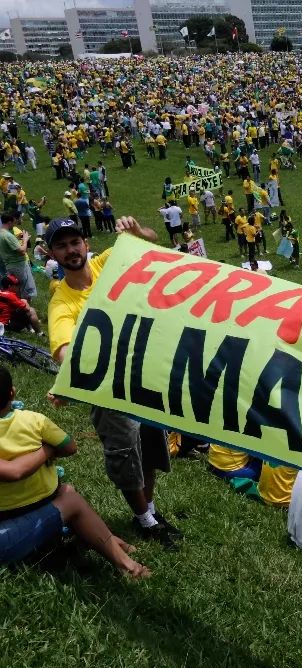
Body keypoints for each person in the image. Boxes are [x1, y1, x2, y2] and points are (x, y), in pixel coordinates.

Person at [45, 217, 181, 551]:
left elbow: (153, 244)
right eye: (61, 246)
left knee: (149, 445)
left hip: (142, 377)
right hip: (108, 391)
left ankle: (148, 510)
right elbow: (64, 352)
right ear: (52, 254)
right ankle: (145, 519)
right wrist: (71, 377)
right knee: (125, 454)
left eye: (74, 242)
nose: (70, 251)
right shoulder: (61, 303)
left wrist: (136, 233)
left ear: (86, 243)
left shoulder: (108, 261)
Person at [0, 365, 150, 577]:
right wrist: (48, 449)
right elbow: (17, 471)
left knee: (66, 491)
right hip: (8, 527)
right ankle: (127, 566)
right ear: (12, 392)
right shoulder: (34, 420)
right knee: (72, 501)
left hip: (19, 510)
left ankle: (108, 540)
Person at [0, 213, 34, 298]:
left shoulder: (1, 234)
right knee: (26, 291)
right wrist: (25, 240)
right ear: (9, 223)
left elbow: (7, 245)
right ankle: (26, 309)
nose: (14, 225)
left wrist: (16, 238)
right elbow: (22, 251)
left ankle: (18, 308)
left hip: (9, 265)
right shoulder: (8, 235)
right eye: (13, 223)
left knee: (16, 290)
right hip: (19, 266)